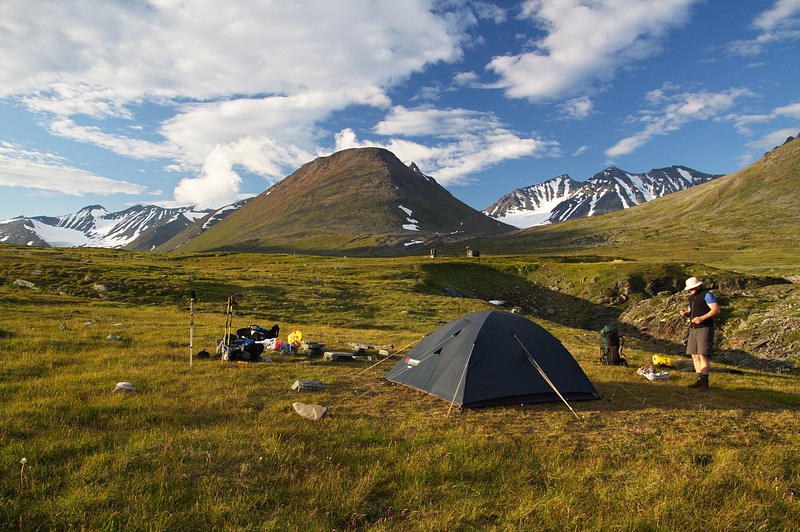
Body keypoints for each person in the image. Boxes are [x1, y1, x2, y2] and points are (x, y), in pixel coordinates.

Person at [679, 277, 720, 391]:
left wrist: (702, 318)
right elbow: (691, 311)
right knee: (694, 355)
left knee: (702, 354)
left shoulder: (707, 295)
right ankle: (699, 379)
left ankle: (705, 382)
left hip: (705, 327)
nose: (690, 291)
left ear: (697, 286)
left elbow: (715, 310)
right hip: (694, 328)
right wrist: (686, 314)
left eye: (692, 289)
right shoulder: (691, 298)